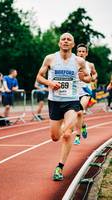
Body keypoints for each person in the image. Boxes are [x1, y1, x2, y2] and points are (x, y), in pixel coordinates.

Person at [36, 33, 91, 181]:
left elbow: (88, 77)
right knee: (55, 137)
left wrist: (83, 77)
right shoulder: (50, 58)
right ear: (59, 43)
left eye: (69, 39)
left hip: (72, 101)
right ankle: (63, 132)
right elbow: (39, 77)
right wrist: (50, 84)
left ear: (73, 45)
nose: (66, 41)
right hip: (54, 101)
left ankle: (59, 167)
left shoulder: (79, 61)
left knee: (67, 133)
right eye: (63, 39)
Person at [74, 44, 98, 145]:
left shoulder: (90, 64)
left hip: (85, 91)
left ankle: (77, 137)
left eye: (83, 51)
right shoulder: (72, 63)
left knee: (79, 111)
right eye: (79, 51)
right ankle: (83, 126)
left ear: (86, 53)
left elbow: (95, 73)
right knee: (76, 114)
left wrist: (92, 78)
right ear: (76, 53)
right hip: (74, 91)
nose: (81, 53)